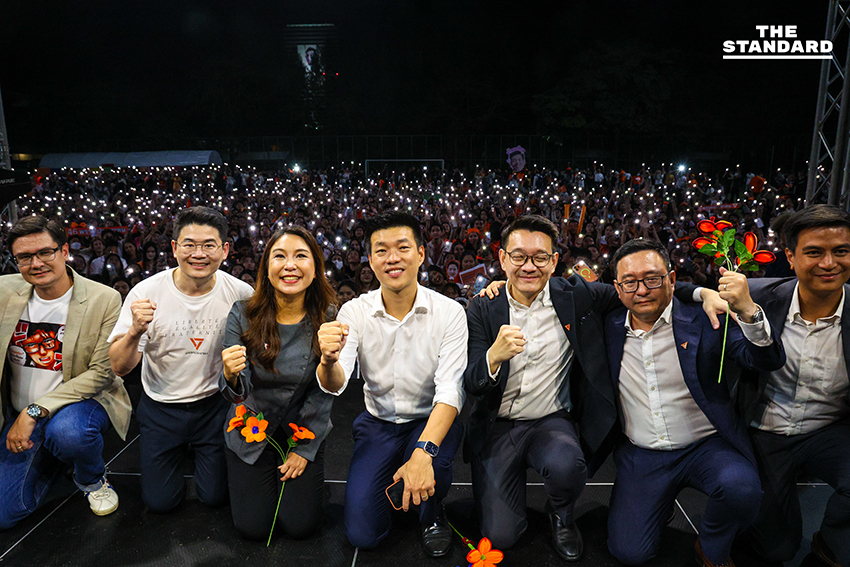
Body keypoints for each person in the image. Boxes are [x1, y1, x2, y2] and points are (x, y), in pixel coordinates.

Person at [469, 216, 715, 562]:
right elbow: (472, 382)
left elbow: (643, 289)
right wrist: (493, 357)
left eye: (540, 257)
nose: (529, 266)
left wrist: (702, 292)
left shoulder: (577, 295)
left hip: (550, 422)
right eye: (519, 256)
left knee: (569, 463)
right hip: (497, 426)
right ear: (502, 259)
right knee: (501, 536)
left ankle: (562, 516)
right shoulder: (482, 305)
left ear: (554, 261)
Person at [604, 238, 784, 567]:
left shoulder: (706, 317)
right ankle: (656, 503)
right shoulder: (608, 325)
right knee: (629, 552)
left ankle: (711, 546)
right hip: (642, 453)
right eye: (630, 281)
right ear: (617, 288)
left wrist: (747, 310)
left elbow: (764, 360)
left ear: (672, 280)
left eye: (653, 278)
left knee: (742, 491)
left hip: (705, 446)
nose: (641, 289)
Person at [316, 212, 467, 557]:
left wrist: (423, 453)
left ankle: (433, 512)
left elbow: (450, 390)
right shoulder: (353, 312)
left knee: (435, 464)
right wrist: (326, 360)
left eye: (402, 247)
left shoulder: (449, 313)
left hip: (429, 420)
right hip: (378, 424)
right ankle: (398, 484)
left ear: (421, 254)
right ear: (370, 259)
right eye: (381, 250)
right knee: (363, 535)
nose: (392, 258)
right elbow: (335, 384)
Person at [108, 206, 254, 513]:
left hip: (214, 406)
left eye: (209, 245)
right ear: (174, 248)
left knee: (214, 498)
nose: (198, 254)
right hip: (160, 407)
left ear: (225, 249)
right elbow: (119, 367)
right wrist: (135, 330)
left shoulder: (241, 293)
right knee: (160, 503)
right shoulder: (146, 292)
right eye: (189, 244)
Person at [0, 216, 132, 529]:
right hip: (18, 413)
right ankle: (58, 460)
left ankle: (90, 478)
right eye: (25, 257)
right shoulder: (4, 291)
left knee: (68, 433)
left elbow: (102, 374)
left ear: (65, 252)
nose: (36, 263)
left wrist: (33, 412)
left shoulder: (103, 298)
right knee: (6, 515)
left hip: (81, 403)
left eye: (45, 252)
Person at [740, 205, 850, 567]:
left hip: (827, 432)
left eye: (841, 251)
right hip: (764, 433)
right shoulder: (756, 296)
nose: (829, 263)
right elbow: (676, 292)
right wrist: (705, 295)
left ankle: (831, 544)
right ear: (790, 256)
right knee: (777, 550)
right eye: (815, 252)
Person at [220, 226, 336, 541]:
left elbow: (324, 392)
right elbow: (234, 390)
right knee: (253, 528)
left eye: (301, 256)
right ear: (266, 269)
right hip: (251, 426)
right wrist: (231, 373)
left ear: (315, 270)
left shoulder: (327, 317)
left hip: (302, 426)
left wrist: (304, 449)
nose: (289, 265)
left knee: (301, 526)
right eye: (279, 256)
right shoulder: (242, 314)